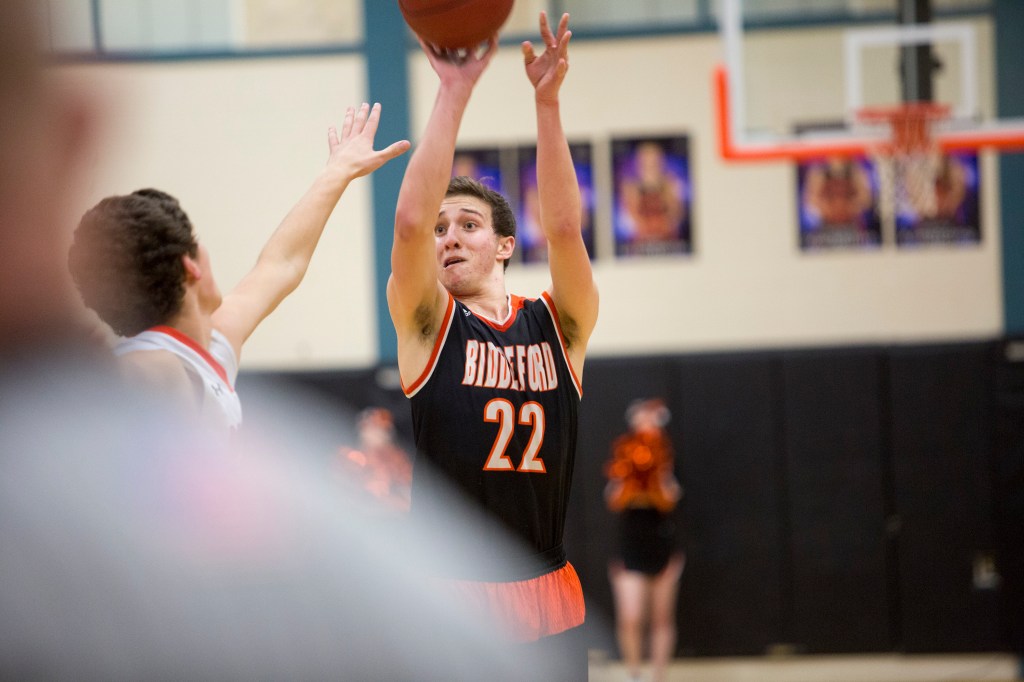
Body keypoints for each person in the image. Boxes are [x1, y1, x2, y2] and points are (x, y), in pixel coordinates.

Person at [386, 10, 599, 680]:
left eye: (469, 225)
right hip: (452, 595)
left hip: (547, 591)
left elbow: (565, 230)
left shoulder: (560, 325)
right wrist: (454, 91)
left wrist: (548, 104)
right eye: (443, 228)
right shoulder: (428, 324)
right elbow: (409, 222)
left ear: (505, 245)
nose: (449, 236)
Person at [68, 103, 410, 430]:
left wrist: (338, 172)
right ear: (190, 265)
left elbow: (282, 264)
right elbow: (124, 377)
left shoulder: (209, 344)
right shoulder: (158, 363)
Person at [604, 398, 685, 682]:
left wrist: (658, 475)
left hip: (661, 542)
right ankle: (634, 674)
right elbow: (613, 499)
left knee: (662, 618)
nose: (648, 426)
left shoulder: (667, 457)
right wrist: (630, 475)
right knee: (631, 616)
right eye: (643, 420)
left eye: (653, 420)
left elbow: (671, 498)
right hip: (631, 545)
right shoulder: (623, 457)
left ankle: (659, 676)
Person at [618, 141, 687, 243]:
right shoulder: (629, 188)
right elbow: (630, 222)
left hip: (668, 241)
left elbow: (677, 217)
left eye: (654, 161)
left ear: (661, 162)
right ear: (638, 163)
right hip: (640, 243)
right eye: (645, 161)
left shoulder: (672, 185)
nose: (650, 165)